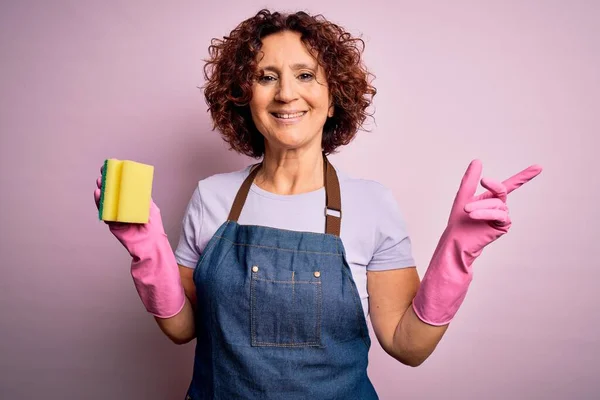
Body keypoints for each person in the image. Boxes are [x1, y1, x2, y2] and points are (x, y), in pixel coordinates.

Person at [93, 9, 542, 399]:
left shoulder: (372, 203)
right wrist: (146, 251)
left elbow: (409, 346)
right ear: (244, 98)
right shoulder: (212, 197)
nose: (286, 93)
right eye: (267, 77)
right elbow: (181, 329)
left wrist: (457, 253)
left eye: (305, 75)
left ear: (333, 100)